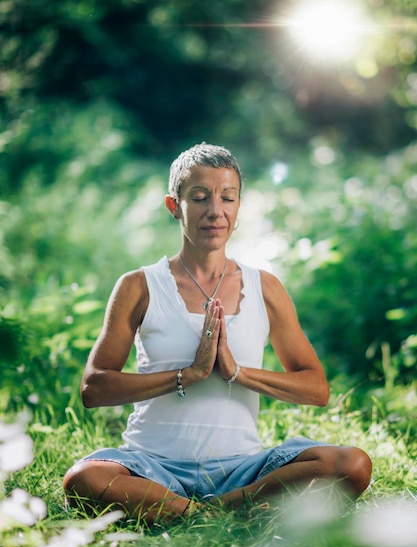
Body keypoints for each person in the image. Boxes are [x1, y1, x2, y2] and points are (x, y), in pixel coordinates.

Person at [63, 143, 372, 525]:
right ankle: (219, 515)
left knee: (352, 464)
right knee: (85, 478)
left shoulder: (265, 288)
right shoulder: (139, 285)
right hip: (153, 467)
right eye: (199, 197)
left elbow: (316, 388)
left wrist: (237, 372)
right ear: (174, 206)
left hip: (241, 470)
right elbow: (94, 388)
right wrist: (187, 376)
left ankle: (207, 512)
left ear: (238, 207)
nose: (215, 210)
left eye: (227, 198)